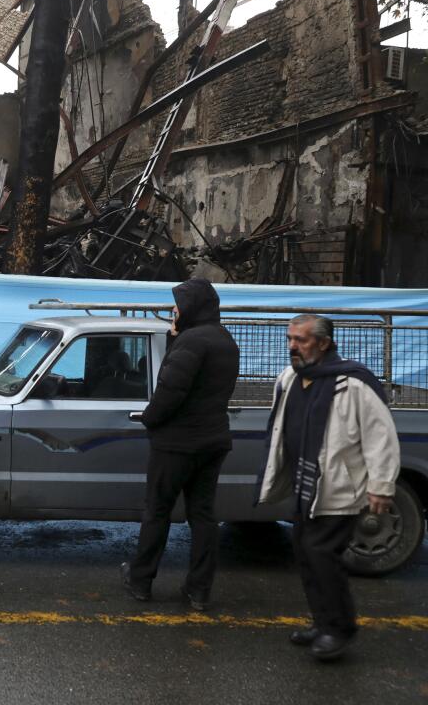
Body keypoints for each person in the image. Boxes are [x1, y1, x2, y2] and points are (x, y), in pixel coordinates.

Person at [256, 314, 400, 661]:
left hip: (338, 489)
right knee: (306, 555)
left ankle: (339, 629)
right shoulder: (291, 377)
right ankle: (323, 623)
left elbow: (381, 437)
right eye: (290, 339)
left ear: (323, 343)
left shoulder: (353, 384)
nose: (292, 346)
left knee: (322, 557)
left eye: (300, 340)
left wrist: (380, 486)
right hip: (307, 487)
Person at [121, 278, 240, 611]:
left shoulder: (191, 342)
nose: (173, 311)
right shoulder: (224, 340)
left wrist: (149, 418)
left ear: (191, 307)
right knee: (203, 517)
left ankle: (141, 579)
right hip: (213, 440)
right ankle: (199, 590)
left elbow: (170, 391)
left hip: (176, 444)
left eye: (177, 306)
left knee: (157, 511)